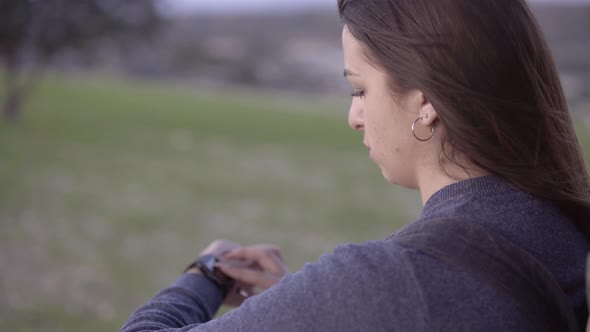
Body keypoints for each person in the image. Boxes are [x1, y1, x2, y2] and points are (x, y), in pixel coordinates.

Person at [120, 0, 590, 331]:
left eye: (360, 90)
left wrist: (205, 273)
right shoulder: (564, 230)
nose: (354, 117)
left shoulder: (393, 280)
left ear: (426, 100)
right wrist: (319, 309)